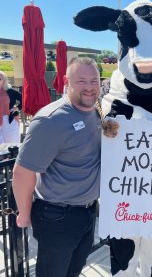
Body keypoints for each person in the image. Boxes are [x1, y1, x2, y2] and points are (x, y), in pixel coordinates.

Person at [12, 57, 102, 277]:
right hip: (57, 218)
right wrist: (24, 214)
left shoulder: (96, 112)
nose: (89, 87)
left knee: (73, 272)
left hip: (88, 213)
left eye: (94, 80)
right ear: (66, 81)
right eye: (81, 81)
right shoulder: (50, 121)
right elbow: (22, 172)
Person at [0, 70, 22, 143]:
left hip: (9, 120)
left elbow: (24, 99)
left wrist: (18, 107)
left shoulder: (10, 91)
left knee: (11, 144)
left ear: (4, 80)